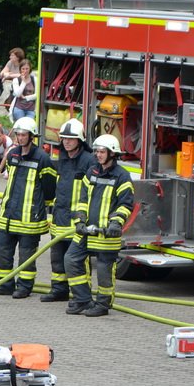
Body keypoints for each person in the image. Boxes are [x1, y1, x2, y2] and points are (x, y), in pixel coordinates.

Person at [65, 134, 135, 317]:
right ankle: (82, 299)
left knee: (104, 270)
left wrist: (115, 223)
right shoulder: (92, 172)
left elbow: (126, 204)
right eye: (96, 151)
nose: (98, 155)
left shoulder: (121, 176)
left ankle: (103, 305)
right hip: (86, 231)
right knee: (71, 259)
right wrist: (80, 220)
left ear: (112, 153)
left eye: (102, 151)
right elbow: (82, 199)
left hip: (106, 234)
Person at [0, 117, 57, 299]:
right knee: (2, 251)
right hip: (9, 214)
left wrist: (39, 207)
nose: (20, 137)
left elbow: (49, 188)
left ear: (32, 136)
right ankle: (4, 284)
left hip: (29, 217)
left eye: (24, 134)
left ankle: (24, 286)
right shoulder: (12, 155)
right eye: (18, 134)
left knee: (26, 255)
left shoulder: (42, 158)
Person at [43, 119, 96, 303]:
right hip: (60, 216)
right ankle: (59, 290)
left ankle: (81, 294)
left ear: (80, 140)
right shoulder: (63, 157)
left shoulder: (89, 161)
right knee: (57, 257)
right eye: (64, 138)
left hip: (78, 220)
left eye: (71, 139)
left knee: (77, 260)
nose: (66, 142)